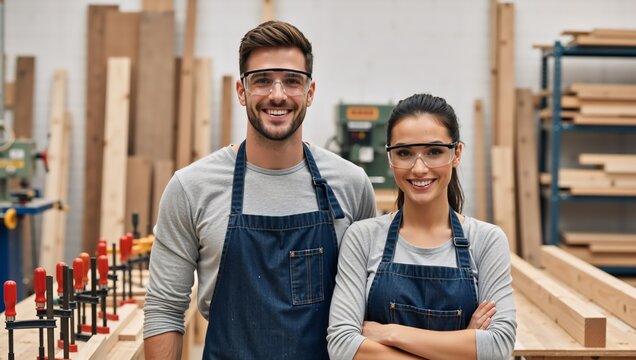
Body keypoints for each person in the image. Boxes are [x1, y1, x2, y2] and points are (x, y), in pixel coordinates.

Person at [143, 21, 377, 359]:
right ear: (241, 91)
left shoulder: (352, 185)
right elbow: (165, 309)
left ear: (310, 92)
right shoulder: (191, 188)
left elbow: (368, 307)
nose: (278, 95)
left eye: (293, 82)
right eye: (263, 81)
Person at [327, 93, 516, 360]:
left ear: (457, 153)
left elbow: (498, 346)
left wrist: (391, 334)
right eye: (404, 153)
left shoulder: (486, 241)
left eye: (434, 152)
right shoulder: (362, 237)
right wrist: (462, 347)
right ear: (390, 157)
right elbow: (343, 346)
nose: (418, 168)